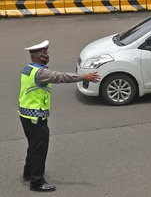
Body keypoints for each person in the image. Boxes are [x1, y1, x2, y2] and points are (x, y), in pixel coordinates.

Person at [19, 40, 100, 192]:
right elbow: (61, 77)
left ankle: (28, 173)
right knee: (40, 149)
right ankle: (37, 182)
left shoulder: (28, 69)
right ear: (40, 56)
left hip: (25, 115)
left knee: (33, 146)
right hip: (36, 117)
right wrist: (84, 76)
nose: (47, 55)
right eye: (45, 53)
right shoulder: (41, 73)